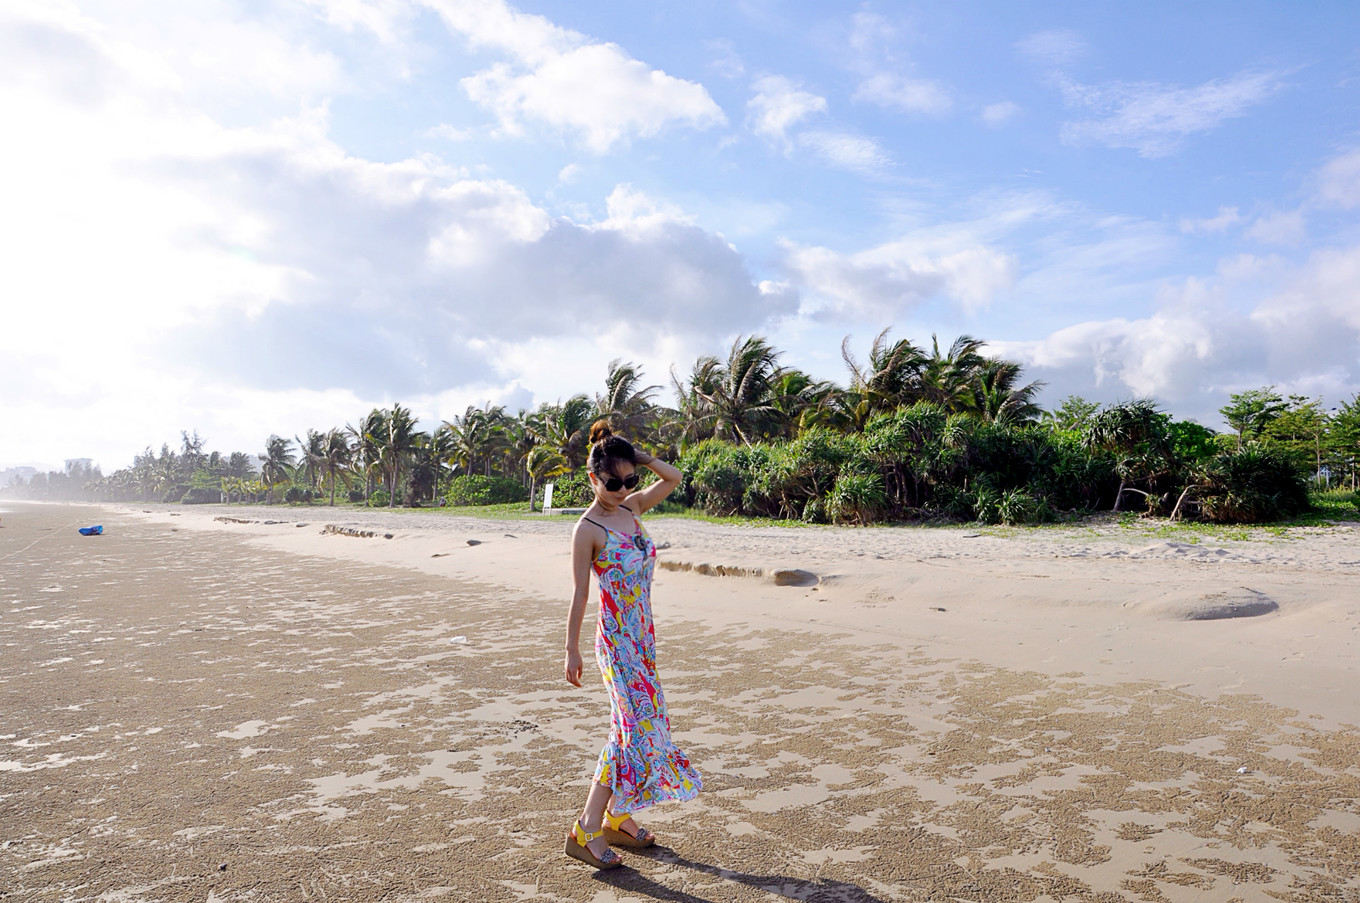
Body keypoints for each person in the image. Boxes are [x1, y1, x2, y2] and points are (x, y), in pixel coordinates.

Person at [563, 421, 702, 869]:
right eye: (612, 482)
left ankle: (616, 816)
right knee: (629, 731)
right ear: (592, 478)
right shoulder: (588, 530)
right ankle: (587, 827)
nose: (622, 489)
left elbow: (675, 478)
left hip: (643, 640)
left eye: (629, 481)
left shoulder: (635, 507)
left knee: (644, 724)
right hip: (617, 645)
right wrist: (572, 649)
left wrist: (637, 458)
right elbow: (581, 595)